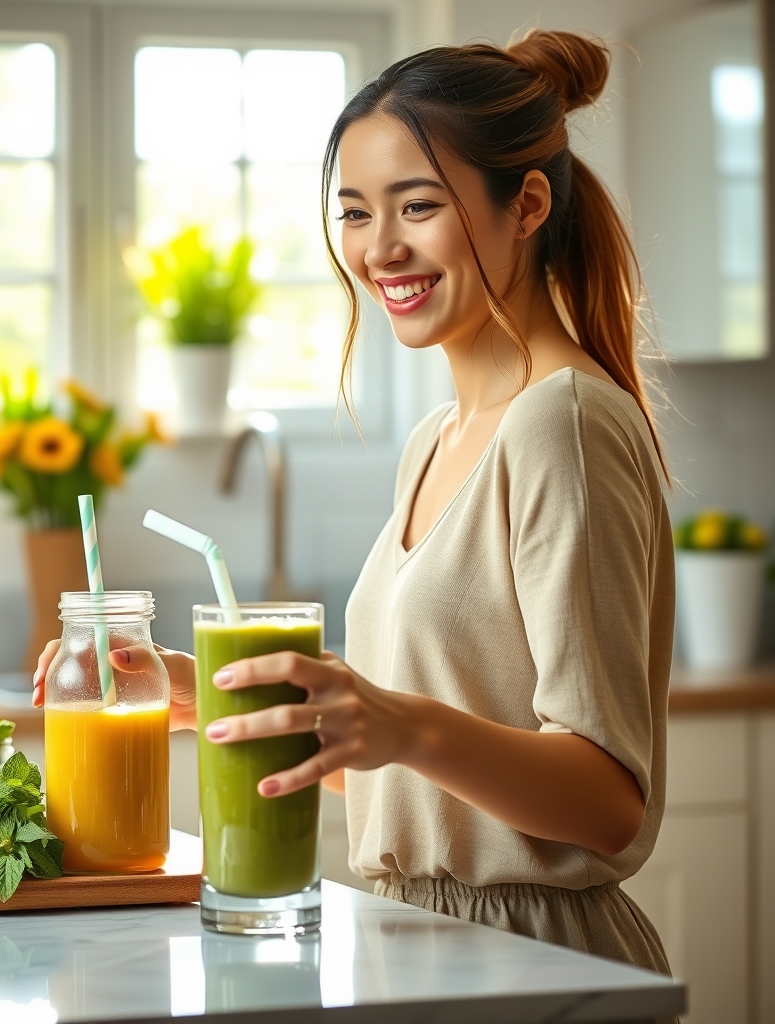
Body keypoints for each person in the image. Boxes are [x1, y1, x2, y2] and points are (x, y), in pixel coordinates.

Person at [33, 29, 675, 987]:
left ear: (527, 204)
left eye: (418, 206)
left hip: (537, 969)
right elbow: (428, 768)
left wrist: (403, 724)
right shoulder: (436, 438)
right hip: (417, 951)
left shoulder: (562, 423)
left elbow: (608, 798)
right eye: (354, 213)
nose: (381, 250)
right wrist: (216, 696)